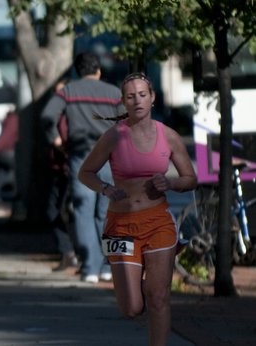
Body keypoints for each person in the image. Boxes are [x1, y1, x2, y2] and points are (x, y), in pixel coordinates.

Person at [78, 72, 197, 346]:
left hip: (158, 221)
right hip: (120, 225)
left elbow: (190, 179)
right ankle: (140, 278)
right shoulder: (114, 137)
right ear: (123, 102)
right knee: (131, 307)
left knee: (158, 297)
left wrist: (170, 182)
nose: (137, 100)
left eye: (142, 95)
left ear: (152, 98)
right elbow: (85, 173)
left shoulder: (168, 136)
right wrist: (106, 189)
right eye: (131, 96)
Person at [40, 52, 123, 283]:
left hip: (81, 156)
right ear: (98, 71)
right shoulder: (115, 93)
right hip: (108, 156)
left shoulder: (68, 91)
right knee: (107, 212)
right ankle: (108, 266)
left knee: (83, 211)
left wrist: (55, 139)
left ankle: (90, 268)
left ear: (78, 72)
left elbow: (47, 116)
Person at [45, 78, 78, 272]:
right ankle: (69, 253)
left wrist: (60, 145)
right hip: (60, 168)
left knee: (62, 210)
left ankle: (71, 252)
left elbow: (64, 139)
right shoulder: (60, 114)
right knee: (58, 210)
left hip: (66, 168)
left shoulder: (67, 116)